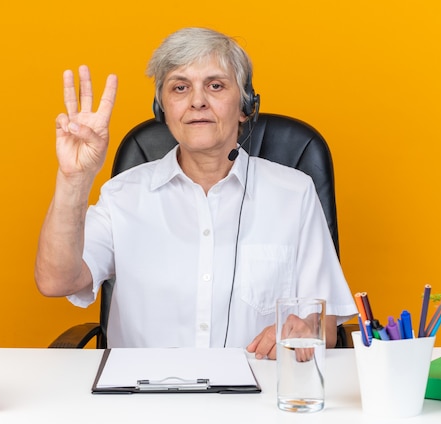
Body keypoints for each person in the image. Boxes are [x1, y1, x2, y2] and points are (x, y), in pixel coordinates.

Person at [35, 27, 357, 358]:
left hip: (256, 398)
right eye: (180, 87)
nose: (197, 100)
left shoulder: (294, 193)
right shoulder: (123, 195)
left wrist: (305, 331)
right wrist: (74, 178)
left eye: (215, 85)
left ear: (246, 106)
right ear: (162, 109)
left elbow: (325, 325)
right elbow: (56, 281)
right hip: (142, 400)